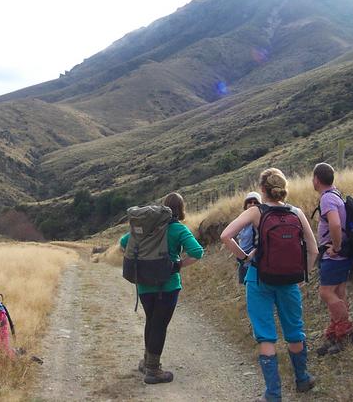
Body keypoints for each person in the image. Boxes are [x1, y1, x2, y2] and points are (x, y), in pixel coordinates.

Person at [221, 169, 318, 402]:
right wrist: (302, 275)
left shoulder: (256, 212)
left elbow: (226, 236)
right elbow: (313, 250)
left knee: (266, 337)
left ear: (262, 189)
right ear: (283, 188)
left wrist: (245, 258)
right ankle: (302, 379)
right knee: (295, 331)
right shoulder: (296, 212)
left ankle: (273, 394)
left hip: (259, 278)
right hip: (289, 281)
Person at [119, 192, 204, 384]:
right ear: (181, 209)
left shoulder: (147, 227)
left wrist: (143, 260)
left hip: (144, 285)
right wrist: (178, 265)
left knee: (151, 321)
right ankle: (153, 370)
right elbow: (197, 252)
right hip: (168, 285)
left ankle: (146, 361)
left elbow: (123, 243)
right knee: (160, 325)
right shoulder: (177, 229)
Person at [312, 163, 353, 356]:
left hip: (335, 255)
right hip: (343, 254)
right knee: (338, 292)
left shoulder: (328, 199)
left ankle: (344, 330)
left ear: (316, 179)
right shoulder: (335, 194)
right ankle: (336, 335)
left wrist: (336, 248)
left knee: (326, 293)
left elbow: (335, 224)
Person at [235, 191, 262, 285]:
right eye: (249, 202)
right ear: (245, 205)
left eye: (255, 202)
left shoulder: (261, 220)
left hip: (255, 260)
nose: (252, 204)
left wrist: (251, 254)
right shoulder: (242, 220)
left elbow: (262, 241)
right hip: (243, 259)